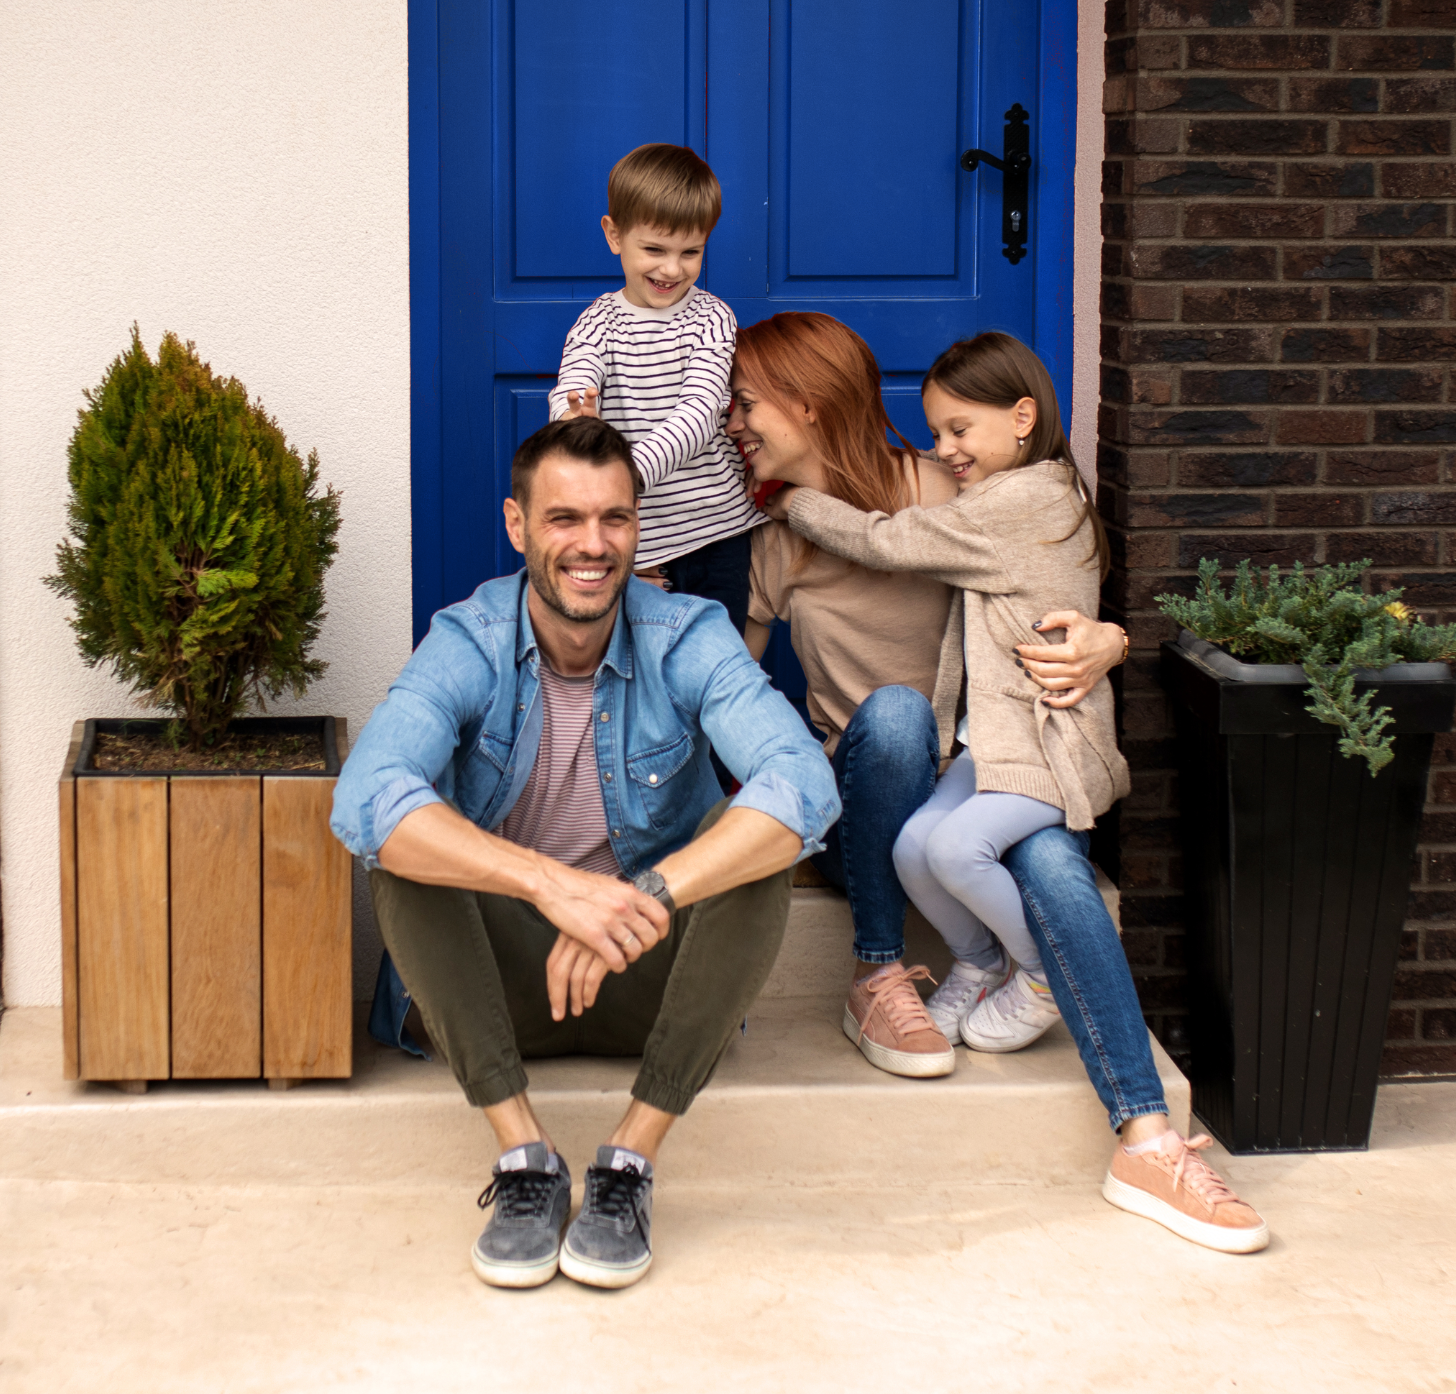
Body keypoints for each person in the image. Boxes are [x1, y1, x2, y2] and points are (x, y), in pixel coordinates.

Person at [735, 317, 1268, 1255]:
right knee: (897, 716)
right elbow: (736, 689)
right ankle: (879, 965)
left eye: (745, 404)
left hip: (998, 760)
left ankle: (1145, 1135)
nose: (732, 422)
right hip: (876, 781)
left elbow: (1053, 567)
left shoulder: (961, 488)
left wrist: (1111, 639)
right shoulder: (772, 538)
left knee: (1058, 873)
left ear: (807, 404)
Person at [329, 416, 836, 1290]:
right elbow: (366, 796)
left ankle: (627, 1163)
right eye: (564, 519)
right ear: (518, 526)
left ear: (641, 529)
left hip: (650, 983)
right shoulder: (469, 638)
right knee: (406, 848)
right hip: (500, 990)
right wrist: (554, 887)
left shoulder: (687, 633)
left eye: (615, 520)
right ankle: (525, 1157)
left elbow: (802, 784)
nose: (592, 546)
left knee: (756, 846)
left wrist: (643, 895)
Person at [772, 331, 1126, 1061]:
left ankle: (1040, 974)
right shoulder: (1014, 491)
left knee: (963, 847)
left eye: (959, 429)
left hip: (1045, 747)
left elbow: (888, 541)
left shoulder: (1022, 499)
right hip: (991, 742)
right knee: (912, 843)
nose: (943, 449)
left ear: (1023, 419)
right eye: (935, 431)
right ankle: (979, 961)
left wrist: (796, 503)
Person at [551, 144, 764, 630]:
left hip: (718, 534)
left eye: (691, 253)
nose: (673, 269)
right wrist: (572, 422)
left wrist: (626, 473)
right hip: (639, 543)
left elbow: (701, 410)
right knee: (640, 667)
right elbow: (574, 388)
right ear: (614, 235)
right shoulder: (596, 324)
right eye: (655, 250)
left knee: (711, 665)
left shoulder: (711, 317)